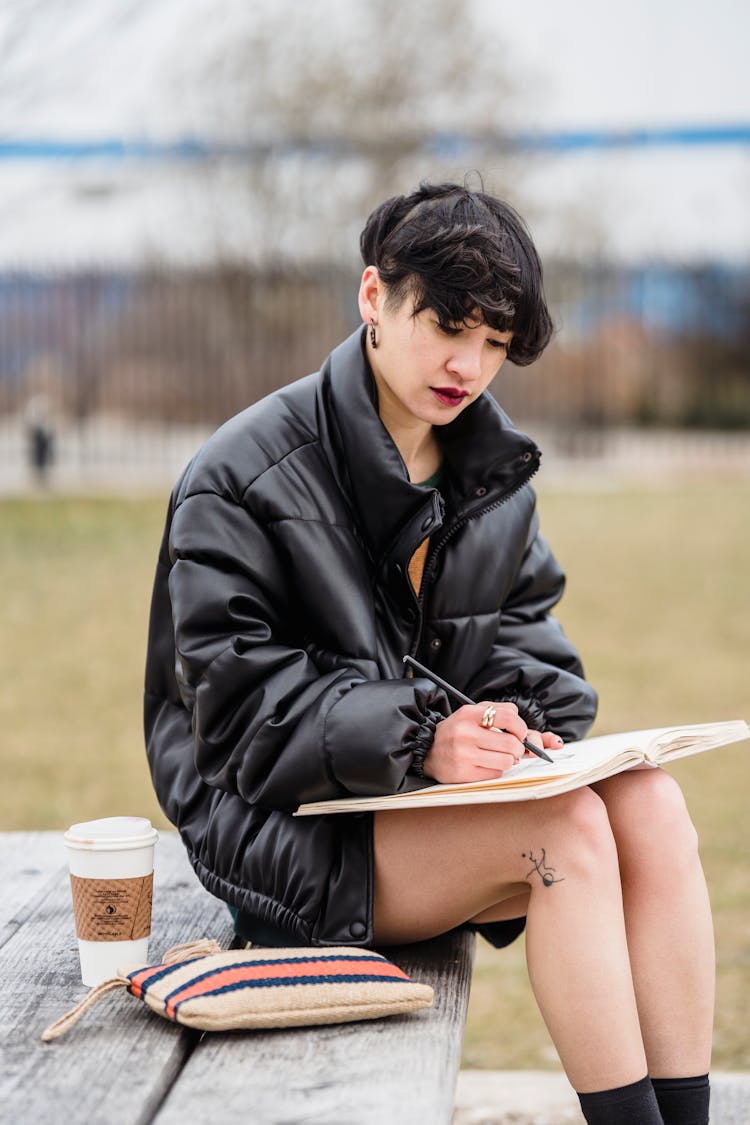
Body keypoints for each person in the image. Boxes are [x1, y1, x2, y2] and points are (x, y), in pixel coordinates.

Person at [144, 182, 713, 1125]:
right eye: (449, 326)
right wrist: (422, 742)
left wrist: (509, 725)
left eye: (495, 343)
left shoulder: (492, 475)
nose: (469, 365)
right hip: (278, 822)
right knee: (564, 831)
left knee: (649, 803)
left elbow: (533, 654)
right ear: (375, 297)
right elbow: (236, 716)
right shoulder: (238, 476)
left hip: (420, 804)